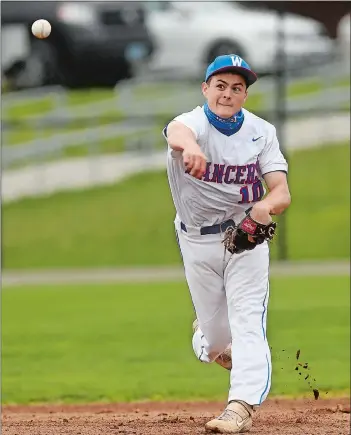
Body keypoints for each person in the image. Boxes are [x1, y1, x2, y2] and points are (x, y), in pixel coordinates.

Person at [163, 54, 291, 433]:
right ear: (206, 89)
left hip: (244, 236)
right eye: (220, 86)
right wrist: (191, 149)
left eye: (237, 88)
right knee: (219, 343)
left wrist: (263, 209)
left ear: (245, 95)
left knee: (248, 320)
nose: (227, 93)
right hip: (196, 240)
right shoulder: (191, 124)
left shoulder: (261, 131)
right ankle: (206, 336)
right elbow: (176, 134)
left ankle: (241, 406)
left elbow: (281, 191)